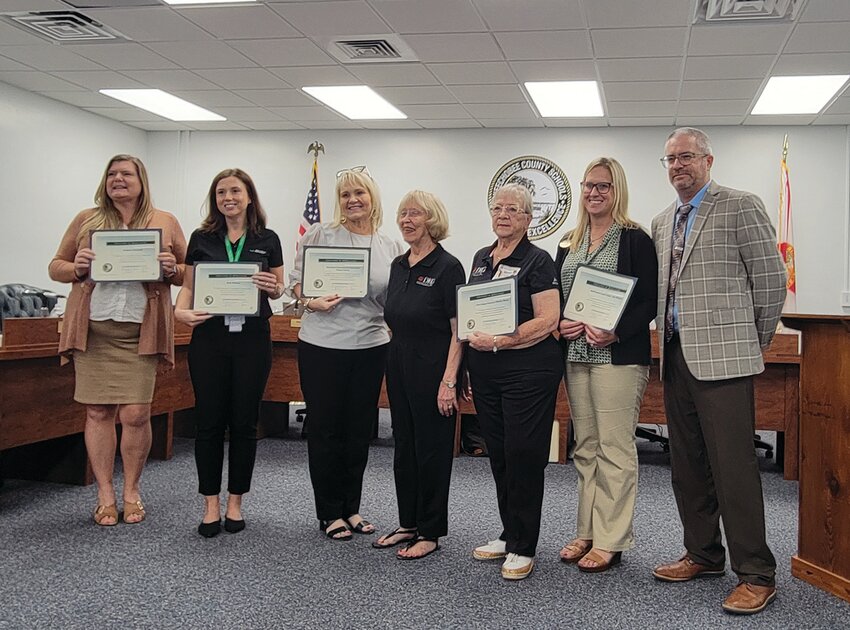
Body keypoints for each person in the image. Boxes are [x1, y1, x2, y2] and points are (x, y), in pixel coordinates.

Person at [650, 128, 786, 615]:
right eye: (669, 159)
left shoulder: (739, 205)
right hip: (674, 356)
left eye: (686, 156)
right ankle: (703, 553)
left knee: (734, 468)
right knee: (686, 465)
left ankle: (756, 573)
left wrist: (754, 341)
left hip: (726, 359)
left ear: (708, 159)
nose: (677, 166)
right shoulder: (663, 220)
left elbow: (771, 281)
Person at [48, 154, 186, 526]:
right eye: (112, 174)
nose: (118, 179)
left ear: (142, 180)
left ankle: (132, 491)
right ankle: (106, 493)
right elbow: (56, 266)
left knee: (136, 413)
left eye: (126, 174)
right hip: (95, 330)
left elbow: (188, 272)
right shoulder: (87, 220)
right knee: (98, 411)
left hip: (140, 329)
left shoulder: (164, 221)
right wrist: (76, 267)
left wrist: (174, 268)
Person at [289, 167, 403, 541]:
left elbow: (394, 301)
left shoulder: (390, 246)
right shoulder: (322, 234)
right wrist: (309, 301)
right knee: (325, 428)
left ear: (373, 198)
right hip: (322, 345)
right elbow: (295, 285)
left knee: (358, 432)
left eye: (360, 193)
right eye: (345, 194)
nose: (353, 200)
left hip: (370, 347)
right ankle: (329, 512)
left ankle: (351, 508)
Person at [554, 157, 657, 573]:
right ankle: (587, 531)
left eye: (604, 186)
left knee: (614, 448)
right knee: (586, 447)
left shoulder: (635, 239)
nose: (594, 193)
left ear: (618, 191)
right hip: (577, 355)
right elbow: (556, 294)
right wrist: (560, 320)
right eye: (589, 186)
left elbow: (649, 299)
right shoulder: (568, 241)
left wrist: (617, 332)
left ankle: (611, 539)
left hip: (617, 356)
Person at [174, 168, 283, 538]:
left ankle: (235, 502)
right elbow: (187, 288)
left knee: (243, 422)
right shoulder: (201, 238)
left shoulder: (267, 238)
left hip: (253, 338)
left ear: (249, 196)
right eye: (221, 192)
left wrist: (273, 287)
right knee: (208, 423)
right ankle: (210, 505)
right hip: (209, 338)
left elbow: (280, 288)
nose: (228, 198)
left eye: (235, 191)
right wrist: (179, 311)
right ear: (215, 199)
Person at [466, 183, 563, 580]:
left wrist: (504, 341)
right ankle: (510, 534)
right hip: (487, 369)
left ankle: (525, 546)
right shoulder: (480, 258)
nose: (503, 214)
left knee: (524, 454)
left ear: (527, 219)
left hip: (528, 370)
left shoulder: (537, 261)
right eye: (498, 207)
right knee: (501, 453)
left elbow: (548, 319)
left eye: (513, 210)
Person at [375, 190, 466, 559]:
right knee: (404, 446)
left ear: (432, 220)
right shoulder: (399, 265)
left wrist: (449, 381)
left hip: (434, 368)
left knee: (431, 450)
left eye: (416, 214)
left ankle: (430, 531)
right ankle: (407, 522)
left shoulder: (448, 267)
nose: (407, 220)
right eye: (403, 214)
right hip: (398, 364)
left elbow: (459, 328)